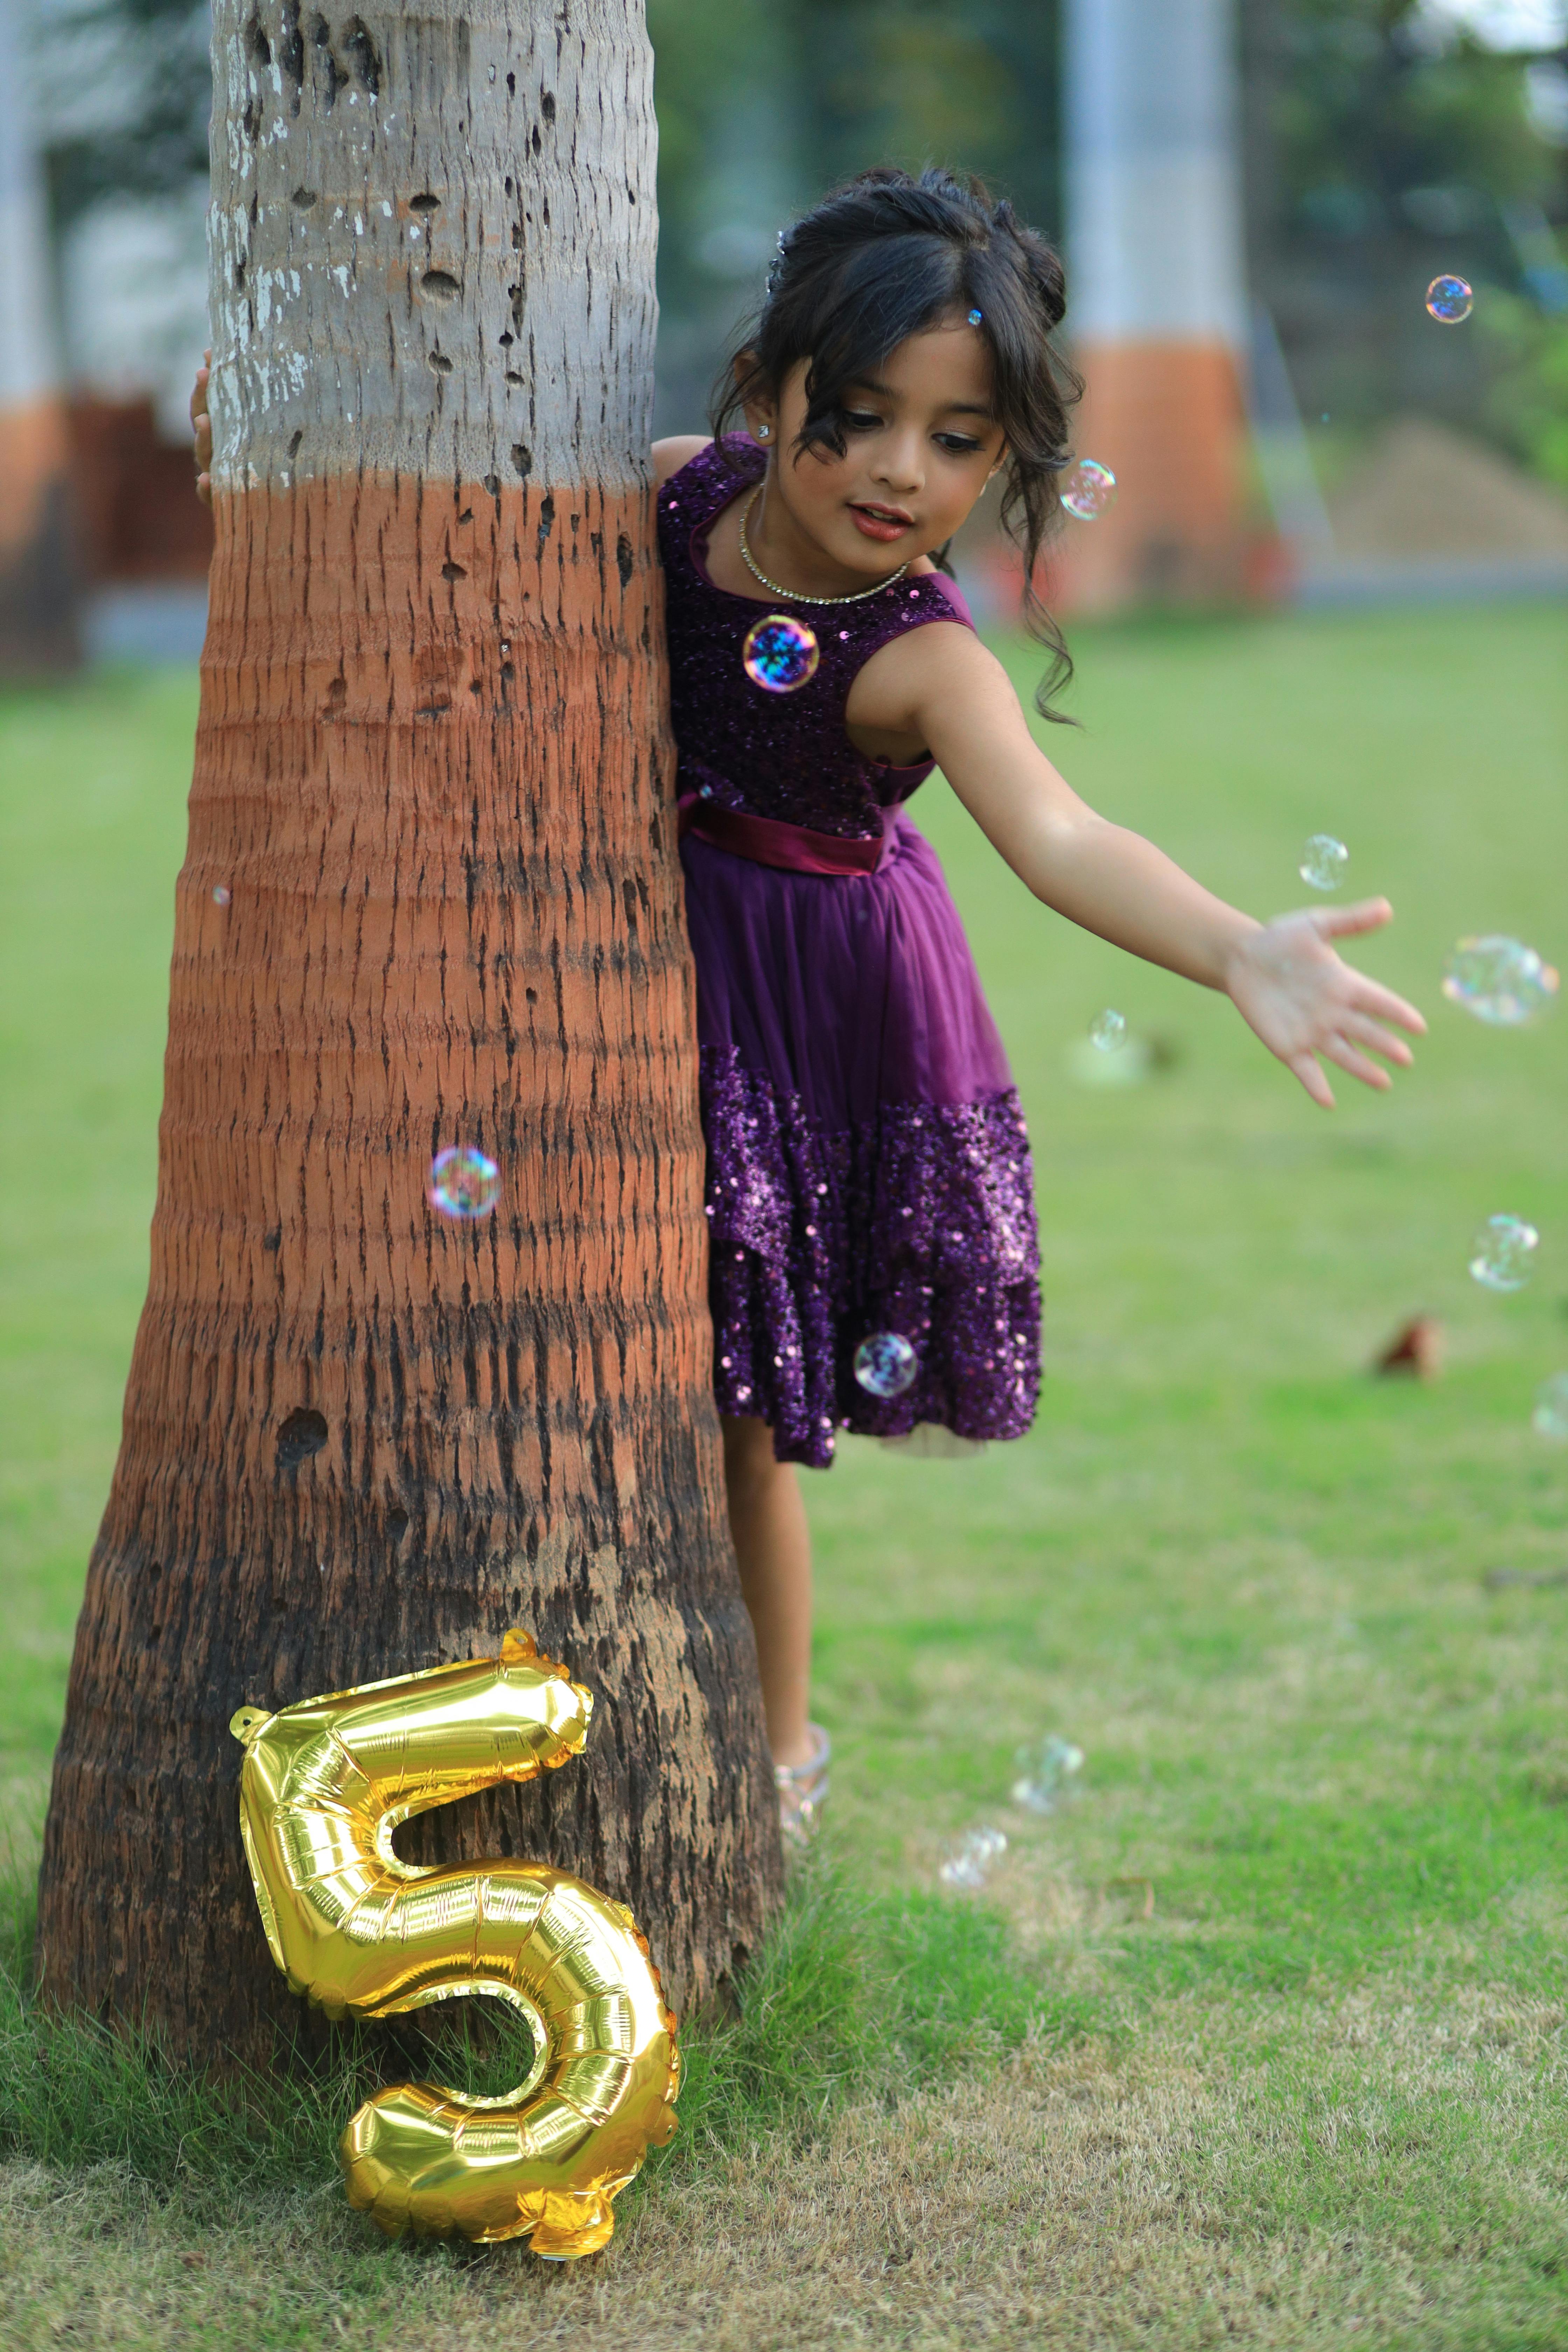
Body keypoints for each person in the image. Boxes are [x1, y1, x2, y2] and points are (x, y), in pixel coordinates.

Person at [191, 167, 1424, 1842]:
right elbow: (450, 559)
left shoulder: (920, 656)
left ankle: (781, 1762)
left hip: (802, 1006)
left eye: (958, 437)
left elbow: (1058, 836)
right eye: (852, 417)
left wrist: (1236, 947)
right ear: (768, 395)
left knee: (745, 1412)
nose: (899, 470)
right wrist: (264, 455)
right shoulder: (666, 500)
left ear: (1006, 460)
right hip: (616, 967)